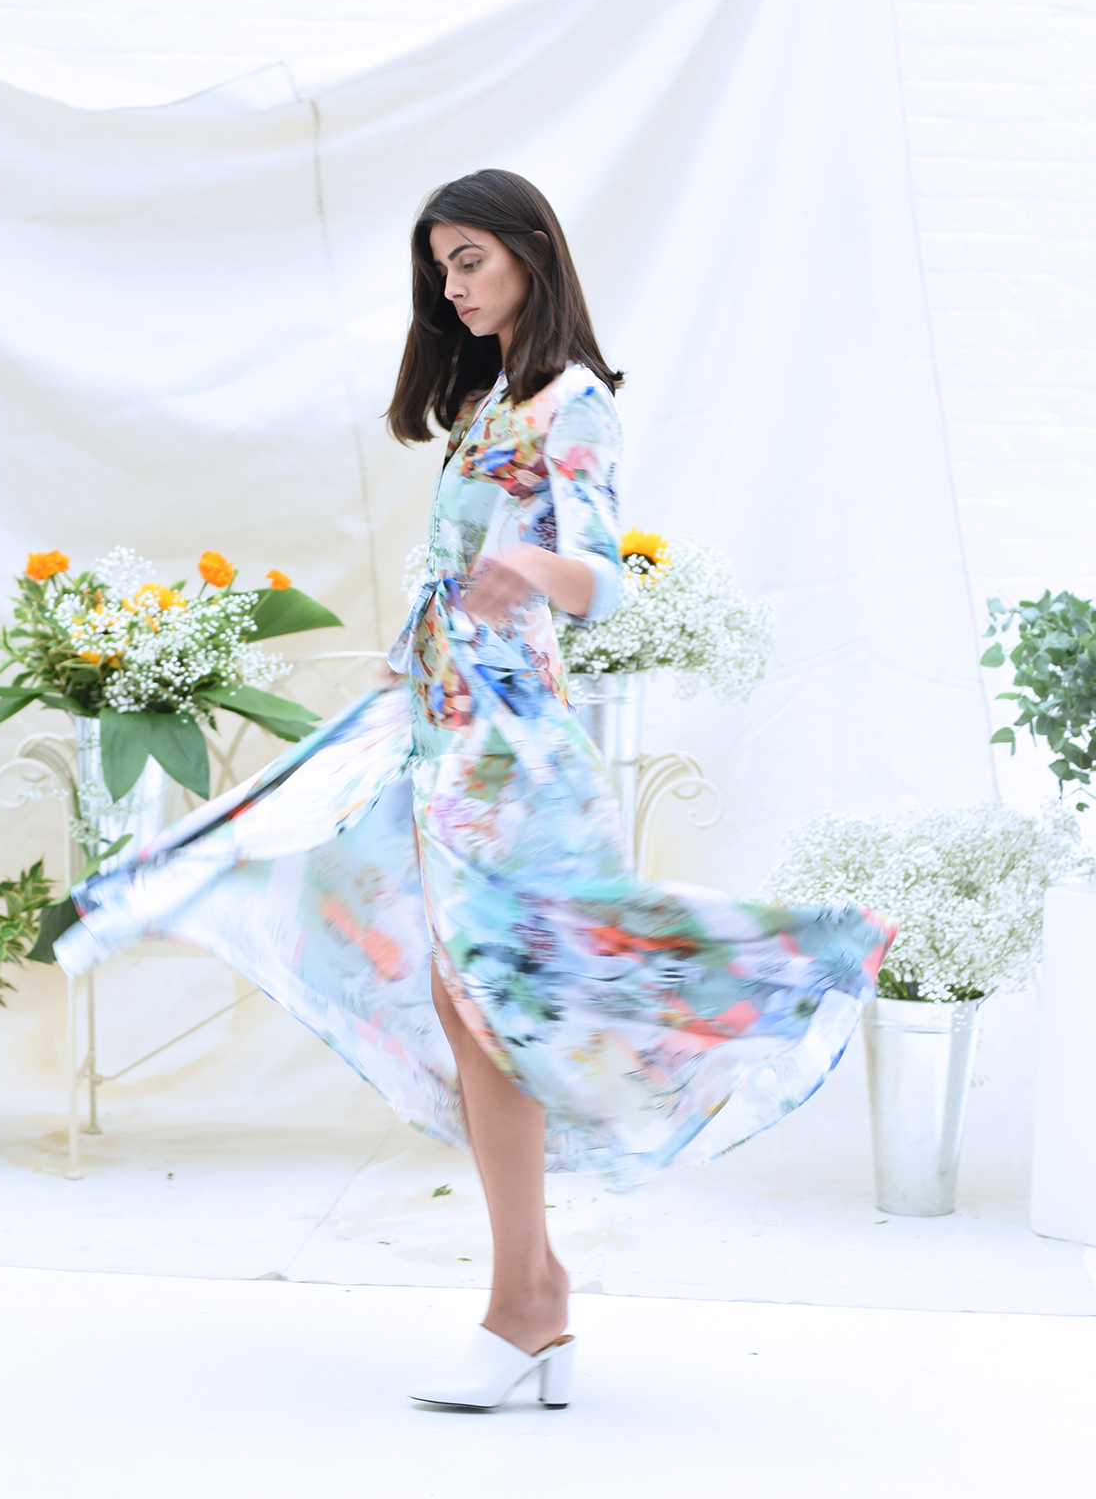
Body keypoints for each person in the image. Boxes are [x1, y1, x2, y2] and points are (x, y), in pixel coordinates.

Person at [58, 169, 893, 1412]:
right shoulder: (488, 396)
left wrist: (526, 569)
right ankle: (534, 1294)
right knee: (456, 991)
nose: (451, 286)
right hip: (437, 721)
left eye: (469, 261)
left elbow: (606, 579)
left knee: (494, 996)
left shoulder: (575, 401)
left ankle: (529, 1296)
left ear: (529, 254)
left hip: (509, 744)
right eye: (439, 266)